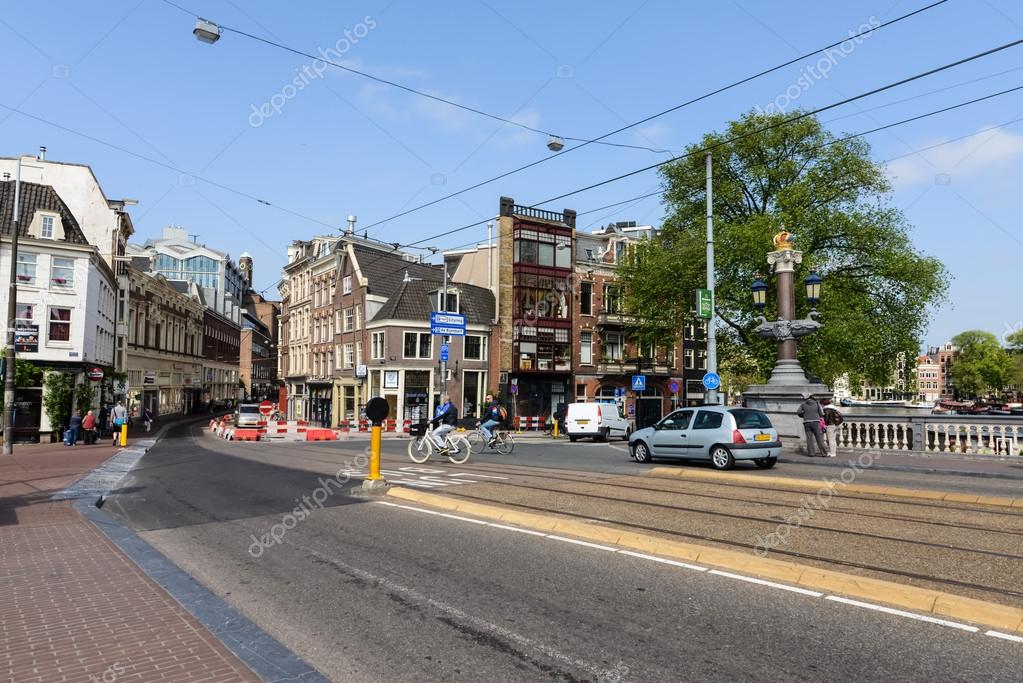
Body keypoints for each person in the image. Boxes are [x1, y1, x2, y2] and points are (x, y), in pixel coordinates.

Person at [796, 392, 828, 457]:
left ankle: (811, 453)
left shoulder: (803, 404)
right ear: (811, 396)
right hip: (816, 422)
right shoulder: (816, 403)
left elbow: (798, 412)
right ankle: (824, 453)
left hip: (807, 422)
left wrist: (804, 415)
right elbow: (821, 414)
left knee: (809, 439)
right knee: (819, 438)